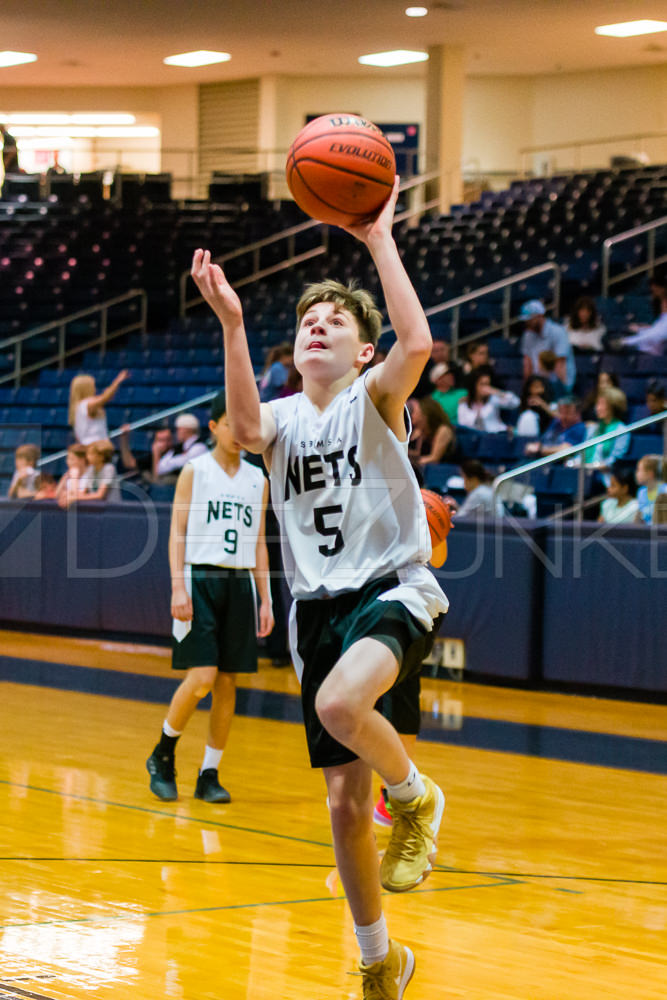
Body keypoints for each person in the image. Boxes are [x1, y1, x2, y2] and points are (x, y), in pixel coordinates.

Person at [191, 176, 448, 999]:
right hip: (317, 612)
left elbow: (416, 346)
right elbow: (243, 424)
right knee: (341, 807)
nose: (316, 327)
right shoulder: (281, 420)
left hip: (391, 591)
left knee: (341, 708)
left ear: (359, 353)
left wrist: (377, 241)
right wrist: (232, 323)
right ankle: (379, 964)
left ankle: (415, 799)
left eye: (335, 323)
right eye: (307, 321)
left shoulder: (374, 400)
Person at [146, 390, 273, 804]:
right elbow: (177, 532)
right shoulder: (194, 470)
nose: (239, 432)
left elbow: (258, 543)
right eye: (230, 423)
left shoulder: (259, 478)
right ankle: (163, 753)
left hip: (239, 584)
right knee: (200, 677)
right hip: (199, 579)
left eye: (245, 423)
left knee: (227, 683)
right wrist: (177, 585)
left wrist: (265, 598)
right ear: (215, 426)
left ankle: (209, 772)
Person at [520, 299, 576, 392]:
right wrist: (526, 389)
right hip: (537, 385)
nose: (527, 322)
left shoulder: (558, 332)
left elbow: (560, 364)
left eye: (530, 319)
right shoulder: (527, 335)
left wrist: (563, 391)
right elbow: (527, 363)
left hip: (555, 384)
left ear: (540, 316)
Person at [68, 370, 129, 445]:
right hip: (95, 448)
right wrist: (118, 380)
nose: (95, 388)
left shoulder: (79, 406)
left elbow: (105, 398)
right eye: (93, 385)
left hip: (91, 447)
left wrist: (109, 393)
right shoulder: (87, 404)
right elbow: (104, 398)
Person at [457, 366, 519, 432]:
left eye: (488, 384)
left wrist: (497, 392)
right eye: (482, 384)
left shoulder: (493, 399)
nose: (486, 388)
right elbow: (462, 425)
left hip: (494, 437)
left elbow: (516, 402)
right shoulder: (464, 403)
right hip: (474, 439)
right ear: (474, 385)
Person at [407, 396, 456, 479]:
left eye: (416, 413)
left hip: (442, 472)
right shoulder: (420, 430)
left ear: (425, 415)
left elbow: (434, 458)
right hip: (425, 470)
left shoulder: (443, 430)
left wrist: (410, 463)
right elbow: (417, 454)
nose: (413, 415)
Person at [618, 274, 667, 355]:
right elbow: (658, 326)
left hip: (661, 338)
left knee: (652, 336)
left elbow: (661, 331)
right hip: (658, 335)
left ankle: (628, 342)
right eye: (653, 291)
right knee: (639, 332)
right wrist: (643, 328)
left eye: (656, 290)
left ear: (663, 287)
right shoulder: (658, 303)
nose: (655, 293)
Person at [583, 387, 630, 467]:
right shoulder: (592, 429)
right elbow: (582, 455)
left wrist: (596, 466)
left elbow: (615, 460)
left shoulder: (622, 430)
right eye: (597, 404)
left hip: (605, 476)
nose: (597, 408)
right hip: (587, 472)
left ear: (613, 406)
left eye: (602, 404)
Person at [153, 414, 208, 480]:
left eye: (179, 429)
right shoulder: (179, 447)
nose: (177, 432)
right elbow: (160, 468)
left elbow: (183, 463)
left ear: (187, 429)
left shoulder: (200, 447)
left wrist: (172, 461)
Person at [634, 454, 667, 524]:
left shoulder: (665, 490)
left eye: (639, 470)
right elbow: (639, 518)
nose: (636, 473)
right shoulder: (641, 492)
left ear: (650, 474)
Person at [56, 443, 88, 508]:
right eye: (68, 459)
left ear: (82, 460)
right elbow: (57, 495)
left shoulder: (89, 475)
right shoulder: (68, 474)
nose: (68, 462)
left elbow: (77, 495)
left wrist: (74, 476)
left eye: (72, 459)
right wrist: (64, 478)